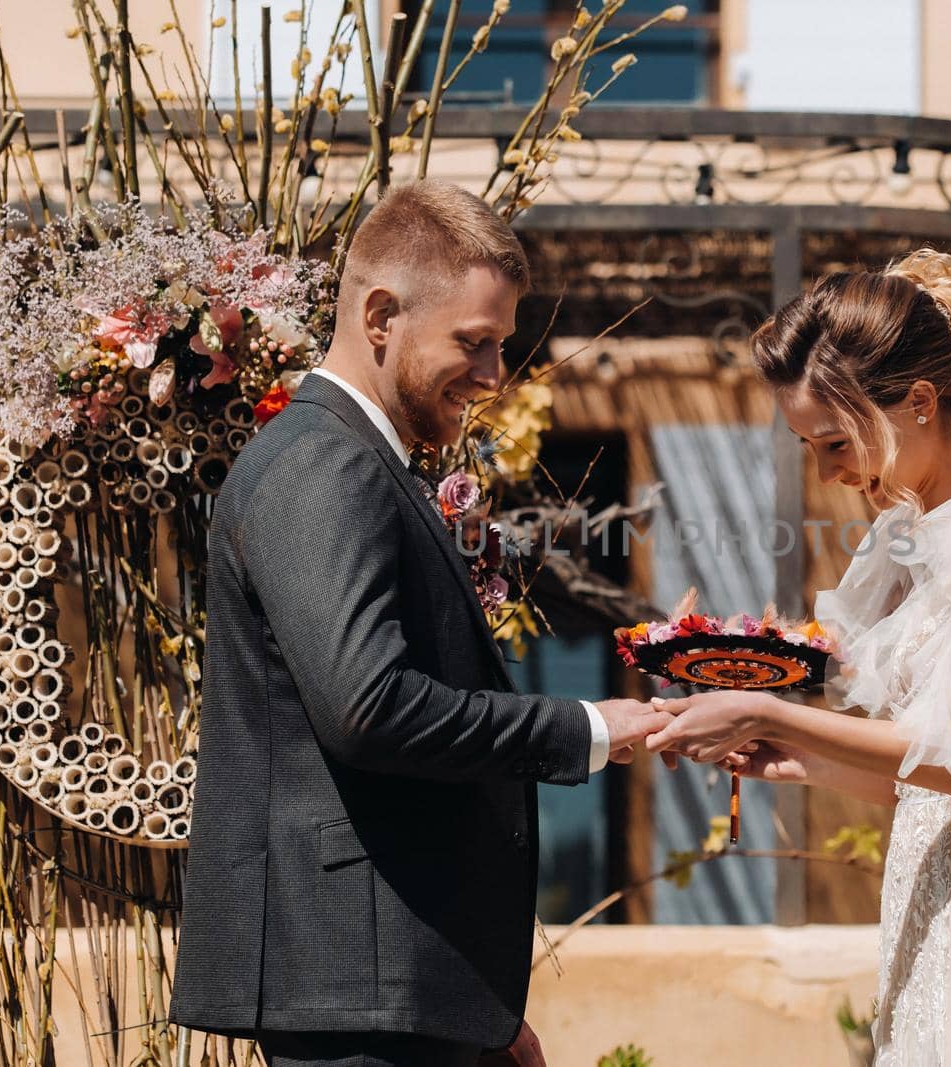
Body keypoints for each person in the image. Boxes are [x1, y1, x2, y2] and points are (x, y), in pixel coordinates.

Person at [169, 180, 671, 1067]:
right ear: (380, 315)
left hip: (392, 988)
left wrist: (471, 1007)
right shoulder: (326, 463)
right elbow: (369, 707)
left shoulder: (353, 459)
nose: (494, 376)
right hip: (356, 999)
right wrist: (587, 725)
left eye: (503, 346)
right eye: (473, 343)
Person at [647, 249, 951, 1065]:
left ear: (919, 402)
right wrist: (792, 753)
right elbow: (916, 777)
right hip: (930, 909)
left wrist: (771, 709)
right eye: (810, 447)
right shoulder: (907, 532)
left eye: (835, 442)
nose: (830, 473)